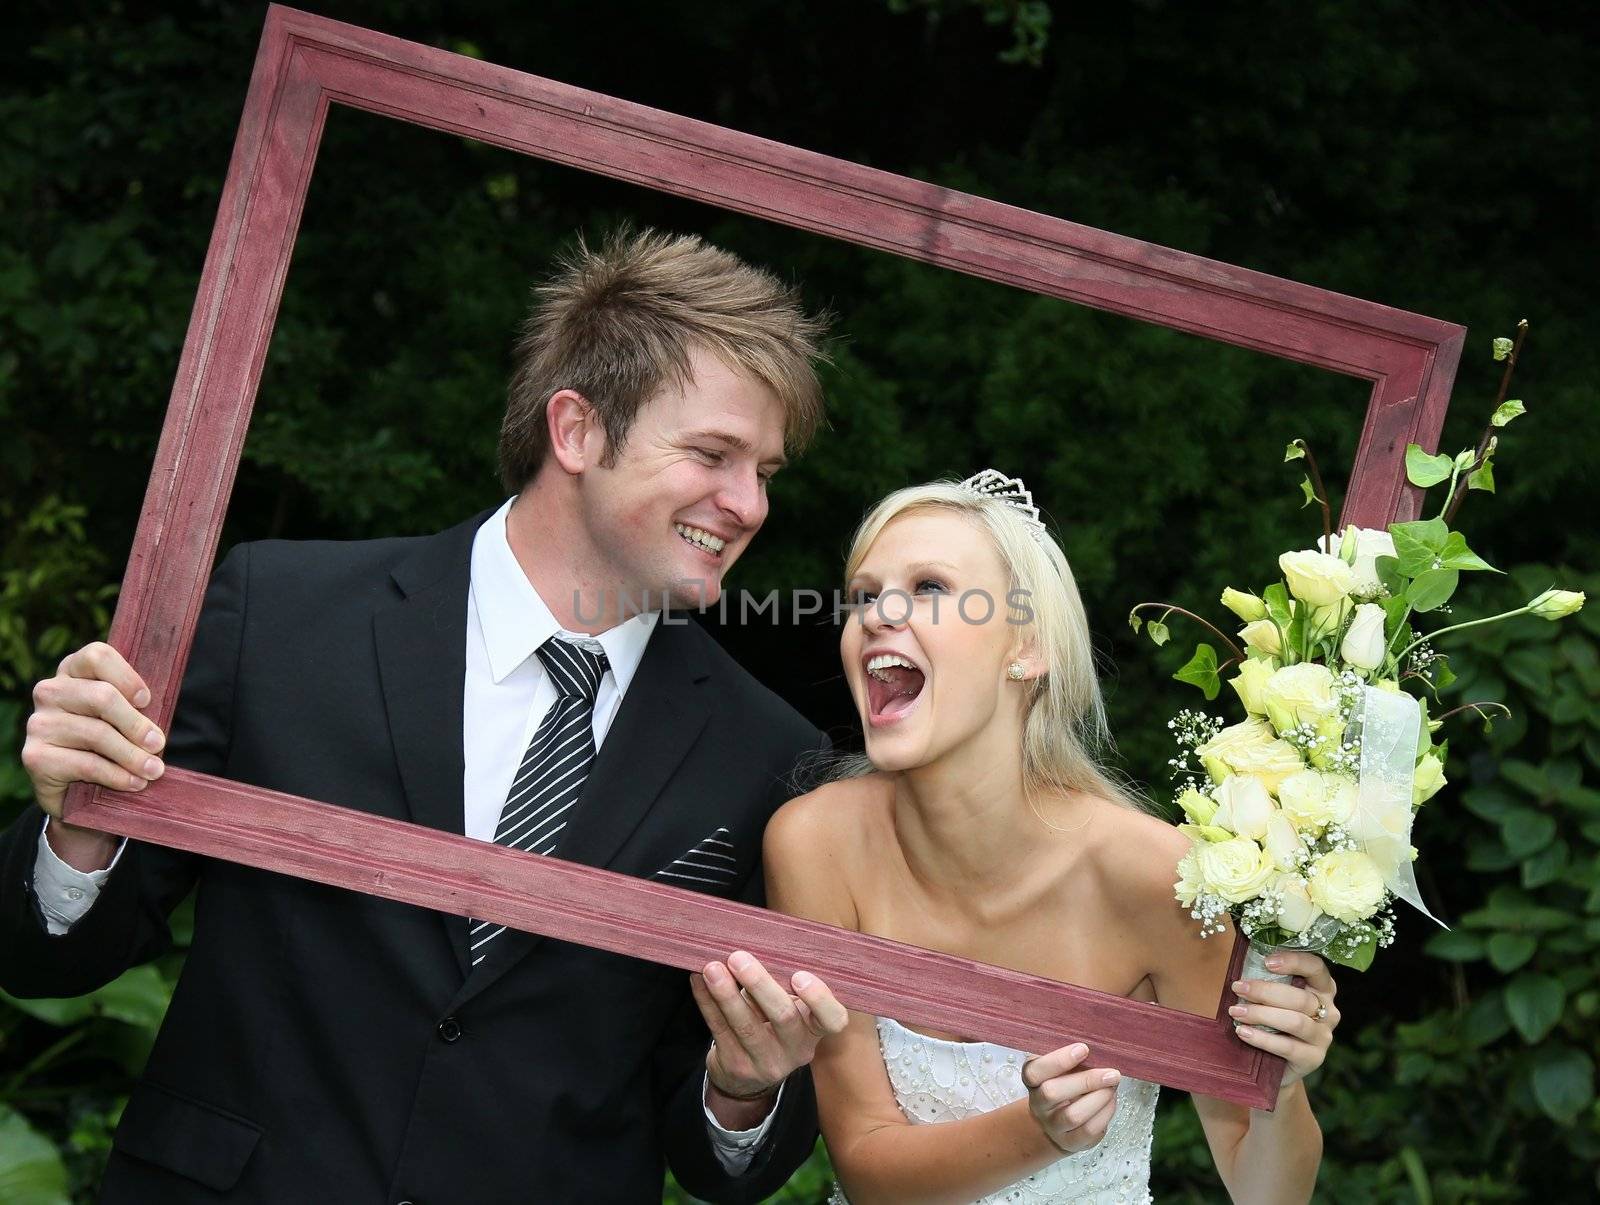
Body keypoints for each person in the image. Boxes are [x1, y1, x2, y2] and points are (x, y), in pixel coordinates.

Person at [2, 228, 851, 1203]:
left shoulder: (765, 752)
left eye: (767, 471)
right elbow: (47, 957)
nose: (746, 503)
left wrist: (742, 1088)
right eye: (712, 452)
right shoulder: (279, 615)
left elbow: (720, 1161)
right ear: (573, 429)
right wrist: (79, 826)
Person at [763, 474, 1340, 1204]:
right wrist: (1042, 1131)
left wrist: (1281, 1086)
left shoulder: (1157, 876)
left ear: (1027, 647)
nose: (879, 615)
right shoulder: (814, 844)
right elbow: (868, 1165)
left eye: (930, 587)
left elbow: (1268, 1193)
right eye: (864, 596)